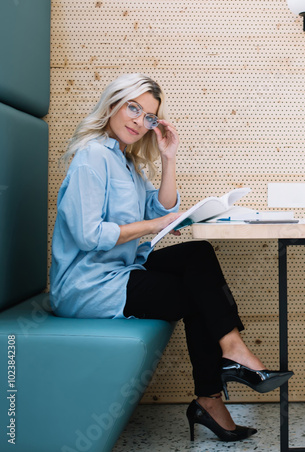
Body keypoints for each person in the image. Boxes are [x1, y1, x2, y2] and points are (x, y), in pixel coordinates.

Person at [50, 73, 293, 443]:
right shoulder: (92, 157)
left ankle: (229, 358)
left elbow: (162, 207)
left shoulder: (127, 163)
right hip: (88, 286)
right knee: (200, 295)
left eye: (148, 116)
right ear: (113, 103)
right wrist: (153, 225)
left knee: (198, 254)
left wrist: (168, 158)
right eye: (133, 107)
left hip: (120, 271)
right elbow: (88, 235)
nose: (139, 120)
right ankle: (218, 383)